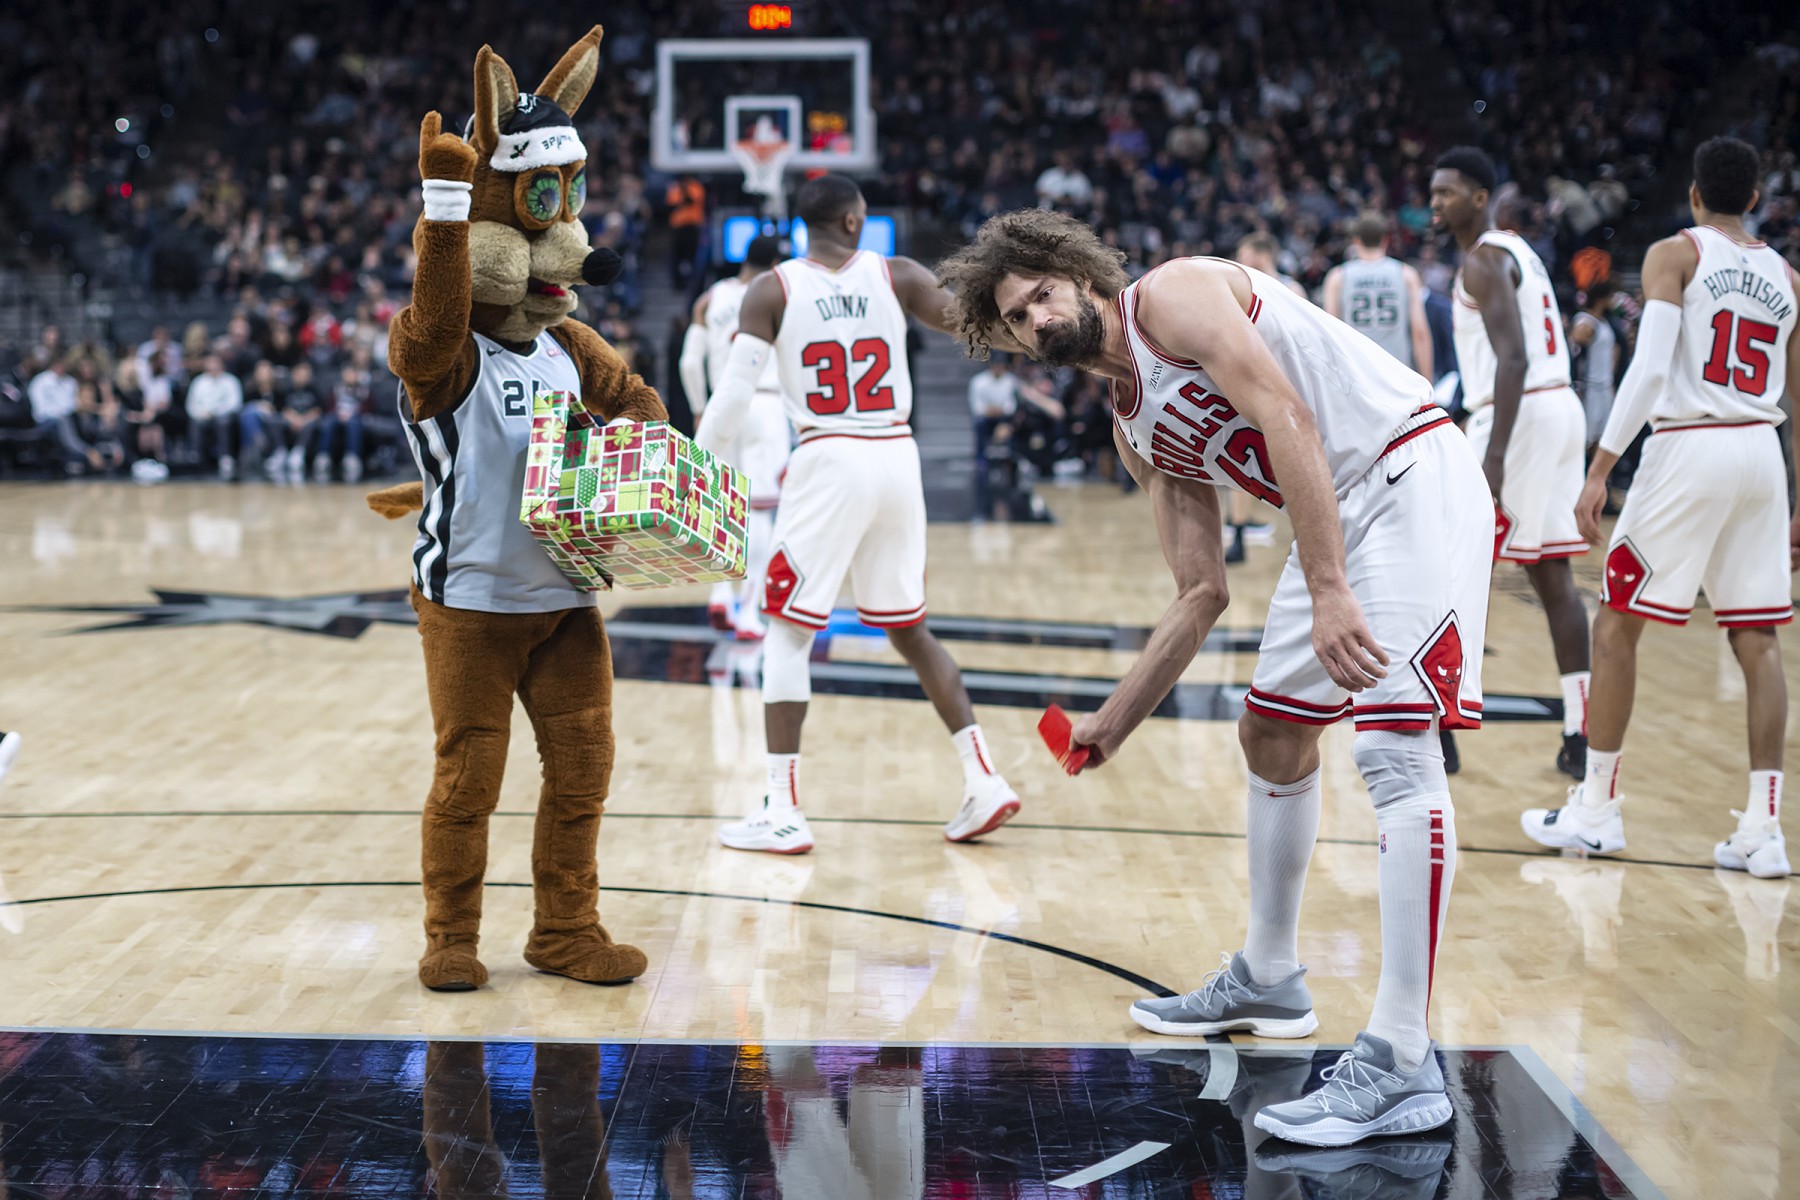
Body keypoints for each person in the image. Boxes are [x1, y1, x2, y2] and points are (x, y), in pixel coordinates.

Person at [937, 209, 1490, 1146]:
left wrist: (1328, 587)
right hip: (1336, 511)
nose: (1037, 321)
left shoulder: (1174, 296)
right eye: (1018, 318)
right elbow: (1201, 591)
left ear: (1083, 277)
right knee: (1271, 731)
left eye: (1043, 295)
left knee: (1396, 754)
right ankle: (1270, 978)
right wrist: (1113, 718)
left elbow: (1288, 415)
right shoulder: (1133, 429)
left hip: (1404, 472)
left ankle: (1403, 1059)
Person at [696, 174, 1021, 854]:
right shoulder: (896, 274)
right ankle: (983, 777)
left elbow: (731, 399)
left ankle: (782, 809)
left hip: (828, 457)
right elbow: (976, 326)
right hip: (897, 456)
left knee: (787, 630)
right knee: (910, 630)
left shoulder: (771, 290)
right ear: (852, 222)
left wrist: (691, 467)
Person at [1522, 136, 1797, 878]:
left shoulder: (1676, 253)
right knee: (1759, 637)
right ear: (1756, 197)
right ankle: (1764, 830)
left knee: (1617, 621)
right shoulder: (1789, 277)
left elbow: (1648, 369)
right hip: (1761, 455)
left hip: (1691, 447)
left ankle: (1596, 809)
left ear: (1696, 194)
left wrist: (1599, 470)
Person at [1431, 146, 1591, 778]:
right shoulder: (1518, 250)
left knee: (1454, 573)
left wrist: (1493, 459)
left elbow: (1514, 357)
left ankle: (1441, 729)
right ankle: (1580, 731)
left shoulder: (1482, 260)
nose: (1435, 202)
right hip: (1560, 409)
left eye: (1447, 192)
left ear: (1479, 198)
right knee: (1553, 574)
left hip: (1516, 416)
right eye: (1433, 191)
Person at [680, 234, 791, 641]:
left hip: (720, 406)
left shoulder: (709, 299)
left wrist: (699, 408)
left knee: (721, 507)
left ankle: (720, 594)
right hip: (765, 403)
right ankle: (748, 613)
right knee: (758, 510)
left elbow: (689, 363)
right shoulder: (779, 295)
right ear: (774, 264)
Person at [1324, 212, 1433, 381]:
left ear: (1356, 241)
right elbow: (1420, 332)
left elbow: (1330, 334)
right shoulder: (1406, 274)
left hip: (1356, 376)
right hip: (1397, 374)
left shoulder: (1337, 277)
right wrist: (1428, 381)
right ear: (1385, 240)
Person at [27, 357, 103, 473]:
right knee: (62, 422)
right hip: (47, 421)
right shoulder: (40, 381)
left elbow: (74, 405)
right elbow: (40, 410)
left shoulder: (71, 382)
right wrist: (89, 452)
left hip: (71, 418)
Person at [1570, 279, 1620, 450]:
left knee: (1605, 439)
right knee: (1586, 439)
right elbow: (1574, 346)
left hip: (1605, 386)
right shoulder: (1585, 321)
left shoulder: (1605, 322)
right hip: (1589, 387)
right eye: (1611, 296)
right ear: (1601, 298)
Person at [184, 352, 245, 478]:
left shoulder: (230, 381)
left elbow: (235, 404)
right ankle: (195, 456)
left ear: (222, 364)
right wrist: (201, 413)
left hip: (223, 415)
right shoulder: (199, 382)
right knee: (195, 422)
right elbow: (191, 405)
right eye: (210, 363)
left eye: (215, 363)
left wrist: (215, 412)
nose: (213, 366)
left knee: (223, 422)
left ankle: (225, 458)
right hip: (203, 416)